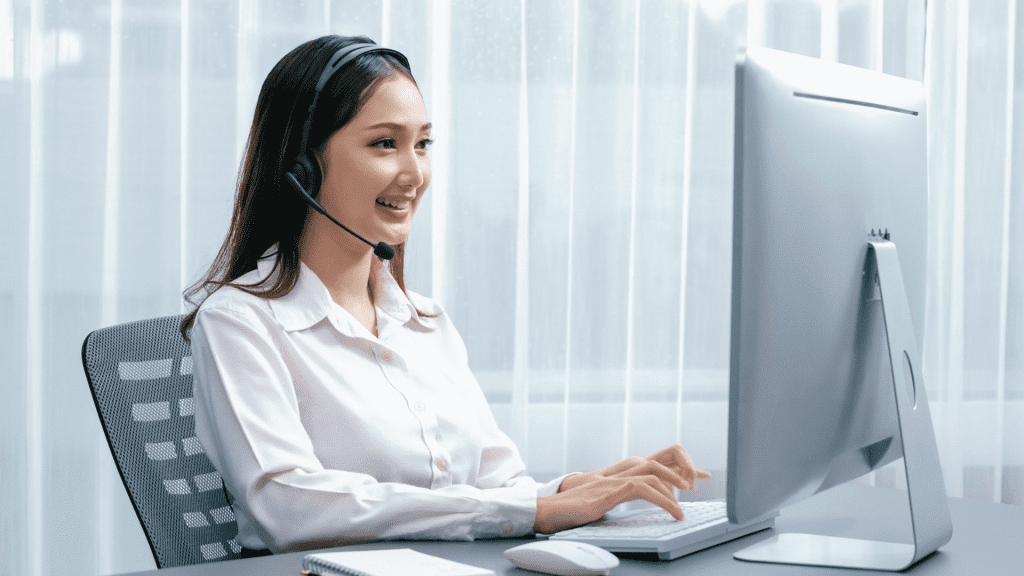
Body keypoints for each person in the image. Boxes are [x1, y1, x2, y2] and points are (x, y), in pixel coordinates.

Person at [180, 34, 711, 556]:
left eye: (423, 144)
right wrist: (532, 510)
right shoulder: (241, 321)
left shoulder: (425, 320)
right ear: (302, 165)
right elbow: (287, 506)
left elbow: (499, 485)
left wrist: (578, 491)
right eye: (385, 143)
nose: (415, 174)